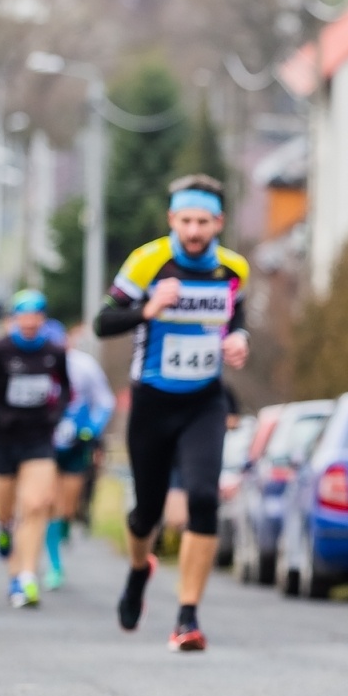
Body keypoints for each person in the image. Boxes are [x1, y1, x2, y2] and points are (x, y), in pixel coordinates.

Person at [95, 173, 250, 651]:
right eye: (185, 221)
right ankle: (140, 570)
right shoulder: (147, 263)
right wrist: (147, 308)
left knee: (203, 497)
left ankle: (187, 618)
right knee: (146, 512)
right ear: (172, 220)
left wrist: (240, 339)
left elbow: (236, 316)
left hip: (204, 400)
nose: (194, 231)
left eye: (203, 221)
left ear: (219, 222)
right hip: (152, 401)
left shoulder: (232, 268)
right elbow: (103, 322)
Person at [0, 291, 71, 607]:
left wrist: (57, 414)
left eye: (35, 316)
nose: (29, 322)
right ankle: (3, 530)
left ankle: (25, 578)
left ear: (43, 320)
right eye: (23, 316)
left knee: (37, 505)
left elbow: (66, 387)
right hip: (2, 439)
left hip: (38, 438)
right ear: (14, 319)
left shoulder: (54, 352)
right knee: (6, 510)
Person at [45, 322, 115, 589]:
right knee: (50, 502)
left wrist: (91, 429)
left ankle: (63, 529)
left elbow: (105, 402)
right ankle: (55, 565)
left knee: (68, 507)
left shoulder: (84, 366)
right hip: (46, 446)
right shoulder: (38, 365)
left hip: (76, 444)